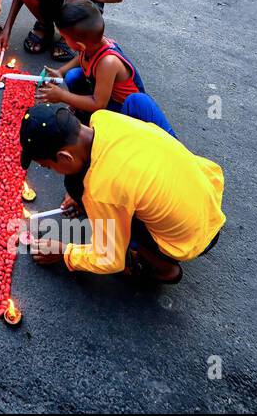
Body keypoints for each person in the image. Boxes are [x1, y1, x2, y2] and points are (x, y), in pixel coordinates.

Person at [20, 103, 225, 283]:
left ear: (65, 157)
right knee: (83, 186)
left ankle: (165, 269)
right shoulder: (104, 118)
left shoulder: (101, 188)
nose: (51, 171)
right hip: (205, 196)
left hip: (191, 237)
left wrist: (65, 252)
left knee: (83, 189)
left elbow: (110, 260)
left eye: (47, 167)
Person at [36, 0, 176, 136]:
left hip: (124, 109)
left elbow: (98, 103)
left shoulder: (107, 63)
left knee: (82, 88)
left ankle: (104, 128)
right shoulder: (92, 43)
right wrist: (61, 71)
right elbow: (81, 57)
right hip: (107, 95)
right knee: (72, 75)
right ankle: (83, 112)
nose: (63, 40)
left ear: (80, 45)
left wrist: (63, 96)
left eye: (64, 38)